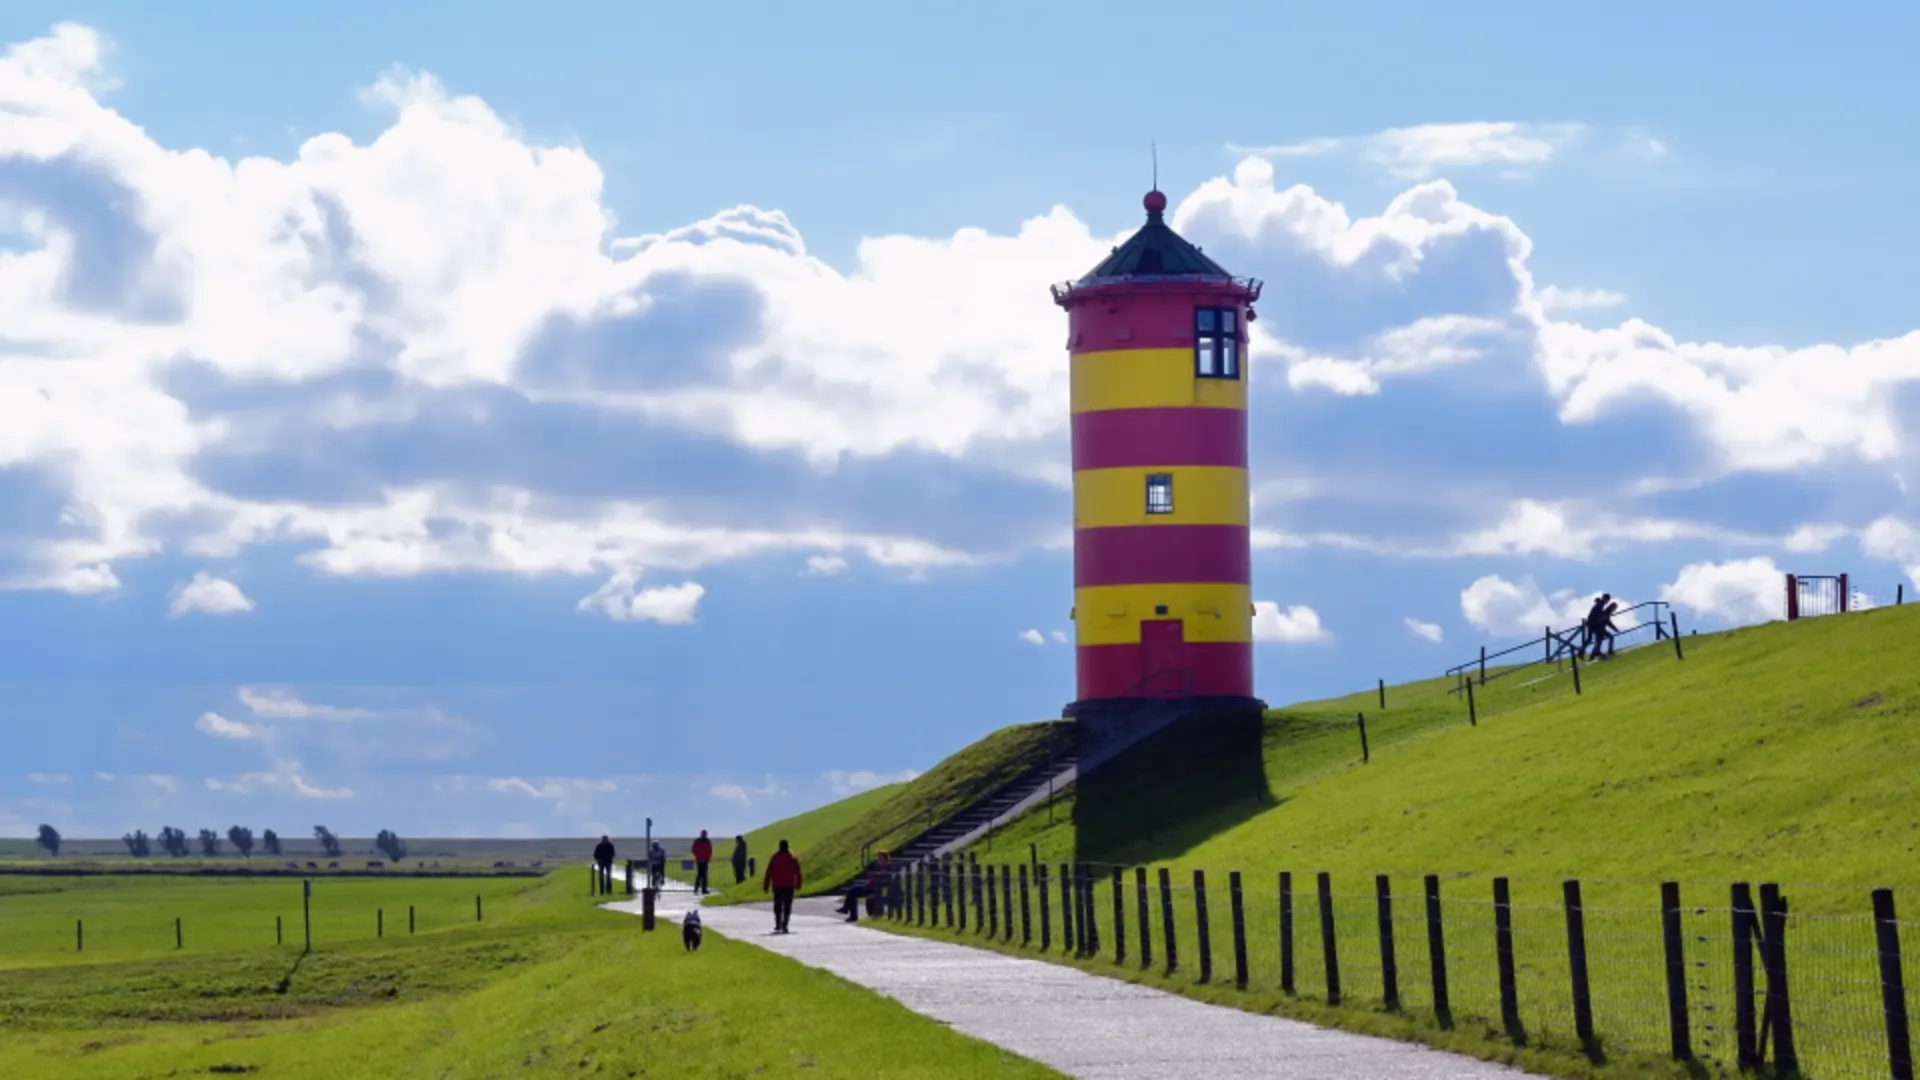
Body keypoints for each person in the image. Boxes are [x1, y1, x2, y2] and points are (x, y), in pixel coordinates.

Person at [835, 851, 889, 922]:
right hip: (869, 886)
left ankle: (848, 912)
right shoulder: (877, 866)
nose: (878, 859)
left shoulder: (886, 867)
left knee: (853, 892)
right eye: (878, 857)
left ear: (885, 858)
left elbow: (883, 878)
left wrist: (877, 876)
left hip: (874, 888)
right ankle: (849, 912)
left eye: (880, 857)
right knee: (853, 890)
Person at [762, 839, 803, 934]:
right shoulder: (792, 857)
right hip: (789, 884)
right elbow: (798, 872)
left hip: (777, 884)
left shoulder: (775, 857)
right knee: (787, 905)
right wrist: (798, 883)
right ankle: (785, 924)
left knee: (778, 905)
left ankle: (778, 923)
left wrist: (766, 884)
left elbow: (769, 872)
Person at [690, 830, 714, 895]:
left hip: (702, 860)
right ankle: (701, 889)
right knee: (702, 875)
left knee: (701, 875)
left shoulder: (700, 841)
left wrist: (697, 856)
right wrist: (699, 856)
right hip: (702, 860)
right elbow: (710, 850)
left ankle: (698, 889)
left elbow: (693, 849)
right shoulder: (706, 841)